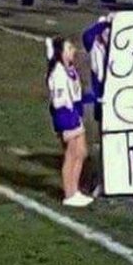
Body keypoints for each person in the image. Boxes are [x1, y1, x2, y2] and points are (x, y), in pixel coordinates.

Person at [46, 37, 94, 207]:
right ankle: (69, 193)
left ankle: (75, 190)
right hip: (66, 117)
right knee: (71, 154)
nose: (72, 50)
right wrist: (69, 121)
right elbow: (59, 103)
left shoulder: (71, 69)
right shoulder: (58, 73)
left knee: (81, 152)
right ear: (60, 53)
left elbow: (76, 94)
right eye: (68, 48)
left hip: (75, 114)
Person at [83, 16, 112, 197]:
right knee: (102, 141)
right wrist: (105, 22)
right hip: (102, 101)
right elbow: (87, 35)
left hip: (117, 99)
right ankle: (100, 181)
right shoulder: (94, 45)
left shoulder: (117, 48)